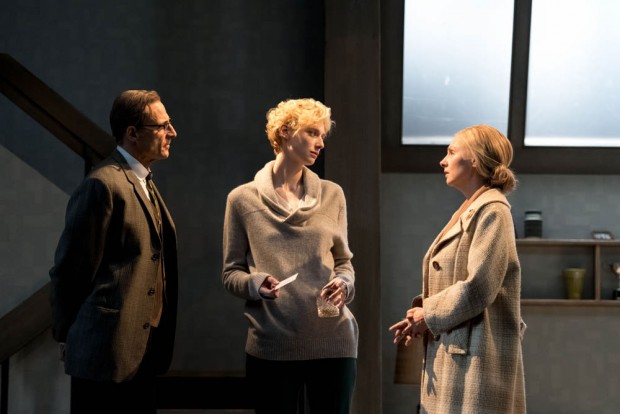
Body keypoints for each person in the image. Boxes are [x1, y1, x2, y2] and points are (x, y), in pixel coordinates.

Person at [222, 98, 358, 414]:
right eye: (312, 132)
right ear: (285, 132)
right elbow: (231, 273)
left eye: (323, 135)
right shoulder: (242, 199)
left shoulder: (332, 194)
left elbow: (344, 262)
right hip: (272, 345)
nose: (320, 143)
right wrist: (256, 284)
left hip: (333, 340)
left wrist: (344, 284)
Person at [49, 90, 179, 414]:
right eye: (163, 126)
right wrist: (66, 334)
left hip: (143, 352)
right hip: (104, 354)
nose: (172, 133)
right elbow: (71, 271)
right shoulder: (103, 184)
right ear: (133, 133)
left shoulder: (146, 182)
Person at [389, 124, 526, 413]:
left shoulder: (493, 211)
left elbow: (479, 286)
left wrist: (429, 314)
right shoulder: (472, 208)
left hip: (475, 357)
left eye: (451, 152)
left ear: (474, 159)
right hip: (460, 351)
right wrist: (424, 318)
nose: (443, 160)